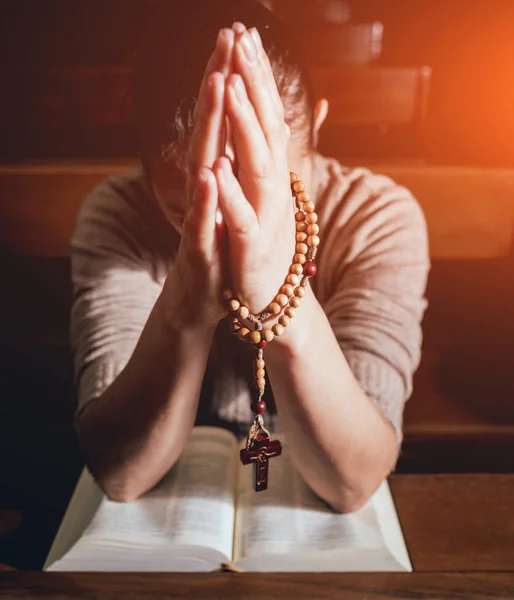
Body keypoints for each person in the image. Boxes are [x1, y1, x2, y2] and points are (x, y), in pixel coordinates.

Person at [70, 0, 429, 512]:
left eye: (270, 196)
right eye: (185, 211)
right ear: (144, 165)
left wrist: (279, 289)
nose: (235, 229)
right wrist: (187, 305)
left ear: (317, 126)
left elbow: (353, 480)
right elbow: (121, 472)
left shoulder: (375, 217)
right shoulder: (120, 214)